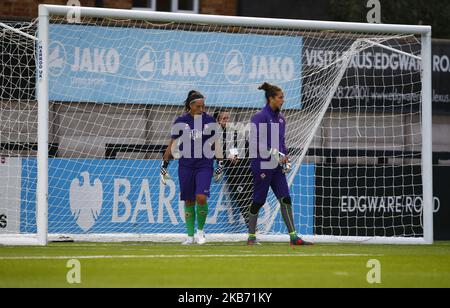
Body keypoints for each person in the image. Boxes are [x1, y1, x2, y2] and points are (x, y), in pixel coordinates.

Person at [248, 82, 313, 246]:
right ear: (271, 98)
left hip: (277, 167)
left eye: (283, 97)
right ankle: (251, 237)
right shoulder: (260, 117)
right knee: (259, 200)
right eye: (280, 97)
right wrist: (276, 154)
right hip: (262, 164)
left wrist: (286, 157)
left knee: (285, 199)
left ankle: (293, 237)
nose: (283, 100)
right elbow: (255, 142)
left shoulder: (282, 119)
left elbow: (282, 142)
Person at [161, 90, 219, 245]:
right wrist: (164, 163)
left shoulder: (210, 120)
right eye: (198, 106)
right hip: (186, 165)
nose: (202, 109)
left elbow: (215, 144)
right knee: (188, 200)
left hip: (204, 165)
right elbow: (172, 144)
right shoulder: (180, 121)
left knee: (201, 197)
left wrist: (219, 162)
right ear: (190, 106)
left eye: (203, 106)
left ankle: (200, 232)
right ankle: (189, 236)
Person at [213, 109, 252, 228]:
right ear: (218, 121)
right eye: (224, 119)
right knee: (242, 200)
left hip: (246, 169)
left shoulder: (236, 133)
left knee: (252, 199)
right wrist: (227, 155)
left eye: (228, 118)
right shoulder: (215, 136)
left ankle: (253, 228)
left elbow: (247, 147)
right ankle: (252, 229)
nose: (227, 121)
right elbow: (215, 153)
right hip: (234, 173)